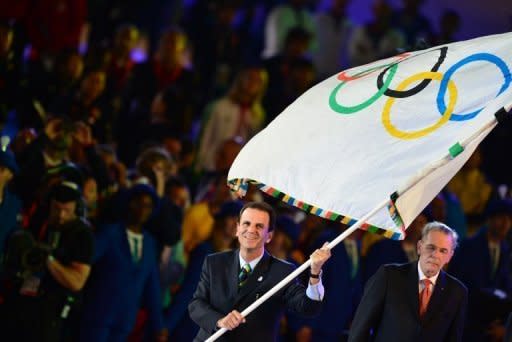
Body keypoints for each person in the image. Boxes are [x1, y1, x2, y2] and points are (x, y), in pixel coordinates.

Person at [189, 201, 331, 341]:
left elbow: (308, 307)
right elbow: (196, 305)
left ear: (269, 236)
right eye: (246, 223)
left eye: (259, 226)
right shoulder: (214, 262)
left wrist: (315, 272)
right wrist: (219, 321)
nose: (251, 230)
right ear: (237, 229)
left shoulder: (282, 272)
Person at [1, 181, 94, 342]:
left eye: (67, 210)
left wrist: (49, 260)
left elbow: (77, 282)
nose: (61, 216)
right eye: (57, 209)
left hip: (51, 311)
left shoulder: (82, 235)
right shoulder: (40, 221)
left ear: (76, 209)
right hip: (21, 304)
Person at [349, 222, 467, 341]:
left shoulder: (457, 292)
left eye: (443, 251)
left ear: (450, 256)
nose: (435, 255)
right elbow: (361, 328)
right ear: (420, 247)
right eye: (431, 247)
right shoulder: (389, 276)